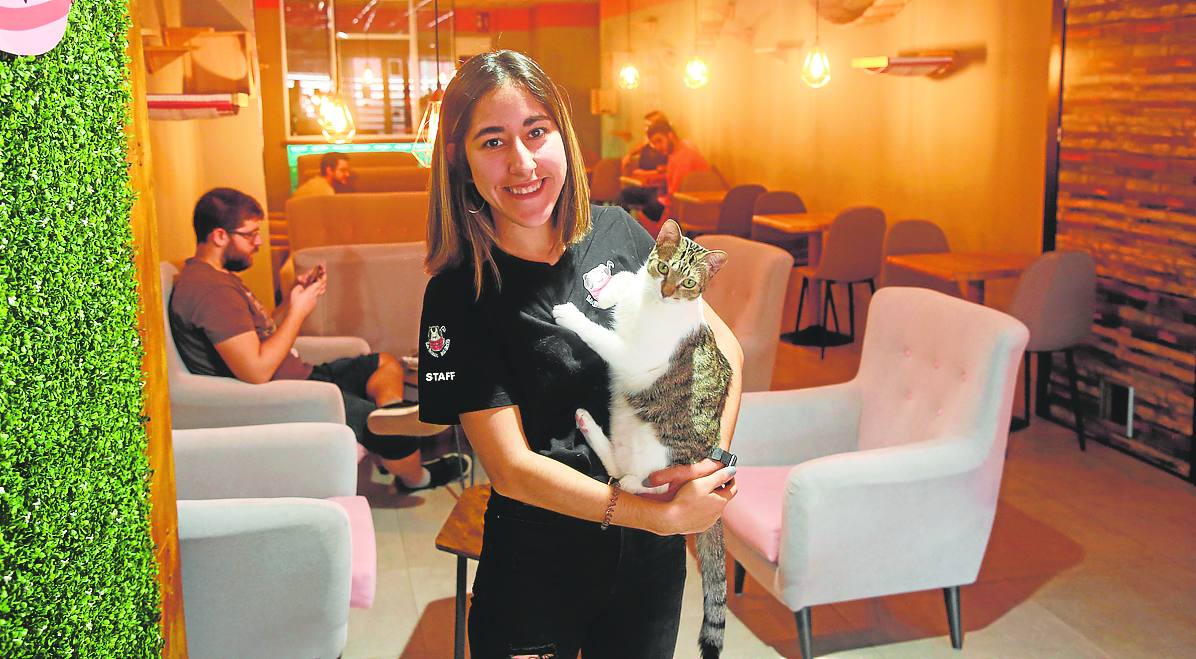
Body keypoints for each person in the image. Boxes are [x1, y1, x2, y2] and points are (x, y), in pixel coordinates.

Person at [418, 51, 743, 657]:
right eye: (493, 141)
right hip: (539, 563)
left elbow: (720, 342)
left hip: (649, 564)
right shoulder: (458, 295)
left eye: (536, 132)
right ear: (462, 163)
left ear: (563, 137)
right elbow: (511, 468)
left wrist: (706, 459)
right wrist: (652, 515)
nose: (522, 162)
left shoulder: (620, 230)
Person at [168, 187, 468, 492]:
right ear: (219, 236)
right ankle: (415, 477)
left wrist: (290, 300)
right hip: (285, 392)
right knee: (375, 423)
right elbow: (256, 371)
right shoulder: (210, 291)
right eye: (250, 235)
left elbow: (258, 333)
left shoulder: (218, 278)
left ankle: (392, 419)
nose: (258, 242)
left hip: (298, 373)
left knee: (383, 363)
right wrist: (300, 312)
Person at [617, 118, 711, 223]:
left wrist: (662, 225)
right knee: (626, 195)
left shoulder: (683, 157)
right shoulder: (674, 153)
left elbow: (674, 197)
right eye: (654, 143)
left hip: (688, 207)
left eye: (659, 141)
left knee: (647, 209)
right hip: (673, 198)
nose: (657, 147)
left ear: (670, 136)